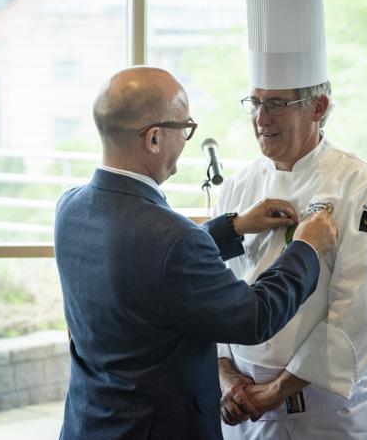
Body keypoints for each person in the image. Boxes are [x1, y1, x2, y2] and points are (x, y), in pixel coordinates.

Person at [54, 66, 338, 440]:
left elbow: (144, 264)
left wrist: (231, 228)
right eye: (185, 128)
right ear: (154, 138)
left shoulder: (70, 207)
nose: (187, 140)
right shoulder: (171, 239)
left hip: (88, 423)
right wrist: (306, 247)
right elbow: (254, 317)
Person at [216, 0, 367, 439]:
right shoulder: (239, 186)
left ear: (318, 108)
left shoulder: (358, 184)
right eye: (254, 103)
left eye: (276, 104)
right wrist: (229, 378)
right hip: (242, 409)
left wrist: (278, 389)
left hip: (323, 414)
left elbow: (360, 310)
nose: (260, 119)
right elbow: (212, 292)